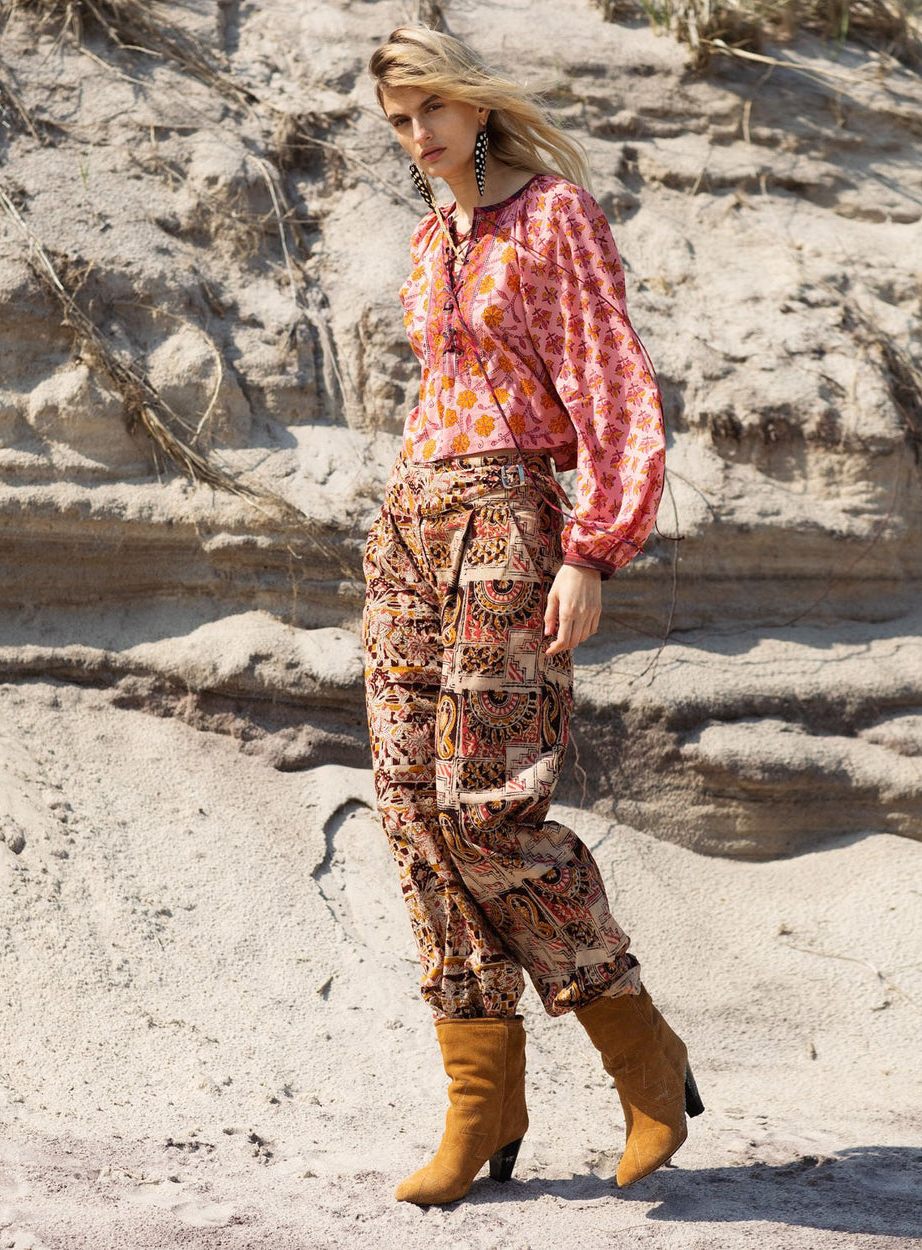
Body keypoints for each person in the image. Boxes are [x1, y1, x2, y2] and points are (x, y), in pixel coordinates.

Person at [361, 26, 702, 1206]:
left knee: (486, 804)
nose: (420, 136)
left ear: (473, 101)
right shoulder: (427, 238)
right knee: (411, 813)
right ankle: (481, 1098)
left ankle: (640, 1051)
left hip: (513, 520)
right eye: (400, 121)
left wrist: (593, 547)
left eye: (432, 109)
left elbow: (610, 377)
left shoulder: (553, 214)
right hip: (410, 525)